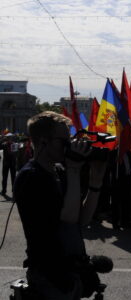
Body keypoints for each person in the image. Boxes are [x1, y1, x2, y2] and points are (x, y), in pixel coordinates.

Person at [14, 111, 107, 300]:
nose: (69, 146)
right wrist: (74, 169)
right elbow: (67, 218)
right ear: (43, 141)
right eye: (63, 141)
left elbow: (81, 220)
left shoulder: (59, 171)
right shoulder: (31, 177)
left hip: (71, 270)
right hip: (49, 274)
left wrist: (95, 183)